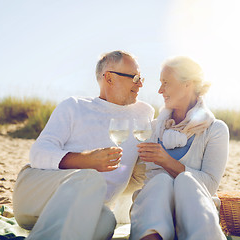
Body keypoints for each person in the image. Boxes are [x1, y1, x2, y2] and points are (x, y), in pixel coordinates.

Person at [12, 50, 154, 240]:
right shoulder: (74, 106)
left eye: (141, 78)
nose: (140, 84)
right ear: (109, 78)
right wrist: (85, 160)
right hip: (35, 198)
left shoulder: (144, 114)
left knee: (106, 222)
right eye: (135, 77)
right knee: (90, 178)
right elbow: (38, 153)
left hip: (88, 211)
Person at [129, 56, 229, 240]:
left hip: (195, 213)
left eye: (165, 83)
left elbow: (209, 186)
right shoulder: (152, 128)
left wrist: (166, 161)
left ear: (187, 84)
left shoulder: (215, 130)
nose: (160, 90)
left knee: (186, 182)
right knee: (160, 183)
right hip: (153, 213)